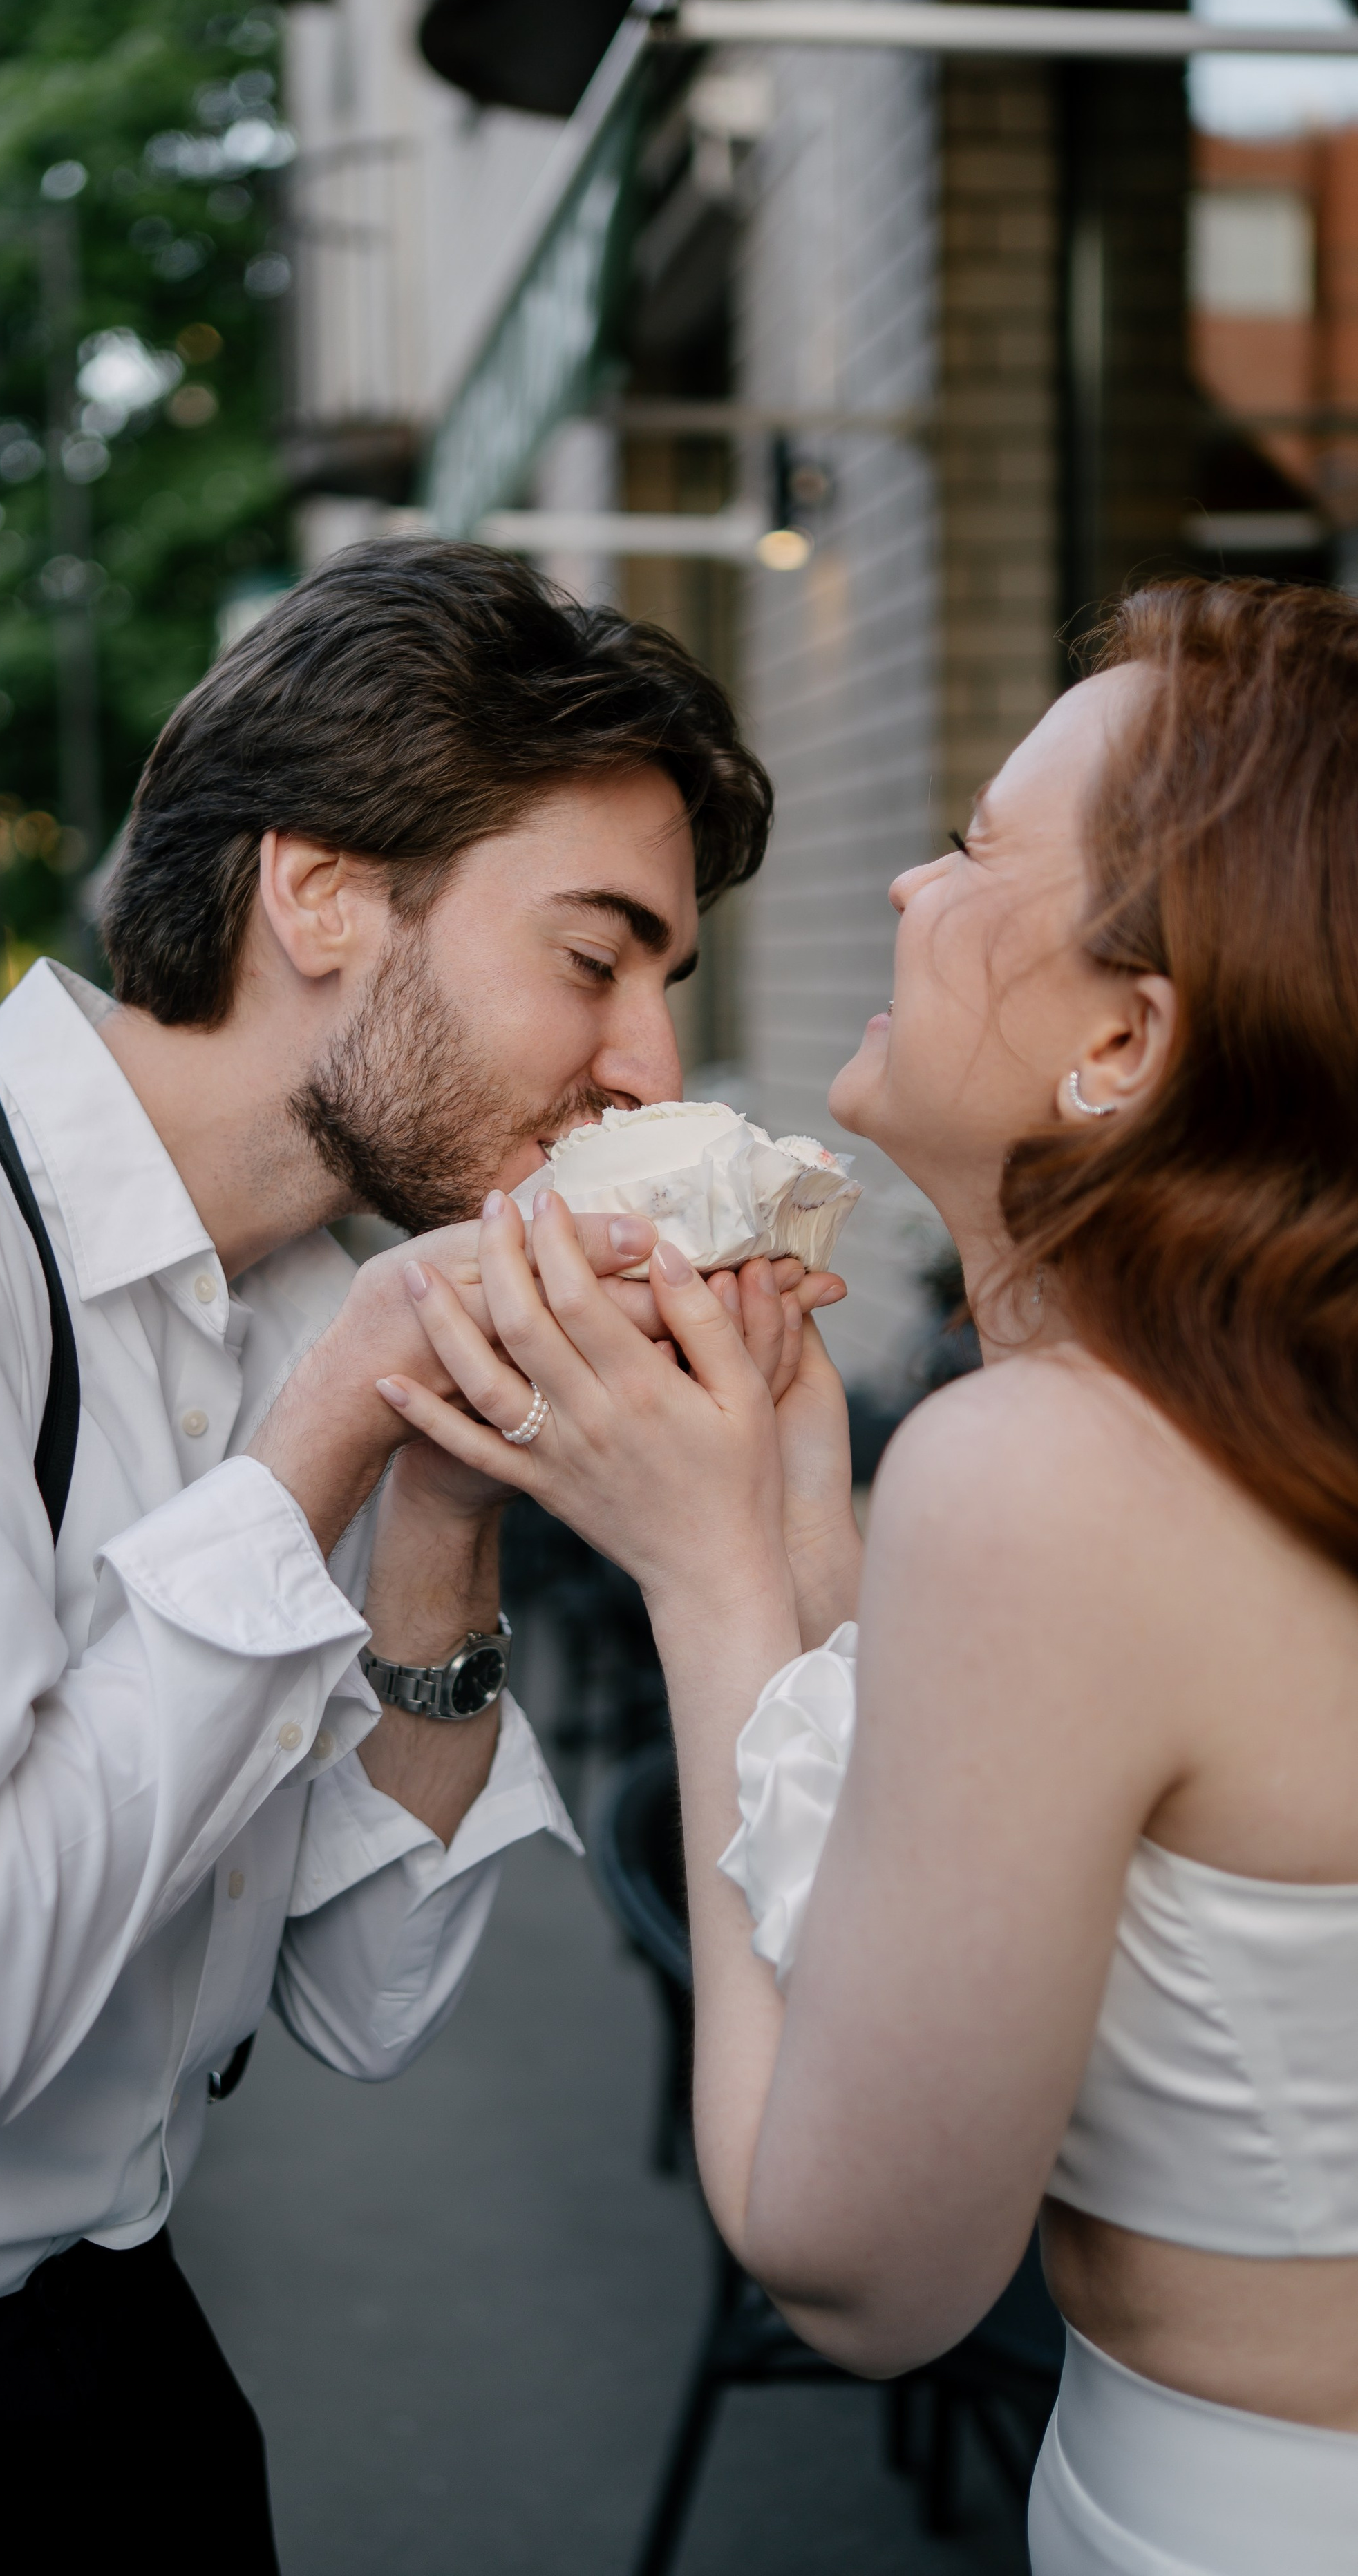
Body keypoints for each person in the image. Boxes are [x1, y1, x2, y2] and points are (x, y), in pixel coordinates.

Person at [0, 538, 845, 2566]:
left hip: (126, 2384)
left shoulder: (314, 1300)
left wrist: (440, 1504)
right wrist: (337, 1423)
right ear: (323, 889)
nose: (649, 1070)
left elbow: (364, 2001)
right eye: (595, 958)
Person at [383, 575, 1358, 2574]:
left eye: (985, 845)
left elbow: (855, 2266)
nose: (912, 884)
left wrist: (702, 1572)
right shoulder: (1184, 1437)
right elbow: (932, 1863)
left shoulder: (1061, 1476)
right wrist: (796, 1486)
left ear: (1125, 1040)